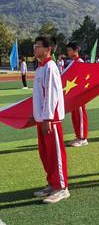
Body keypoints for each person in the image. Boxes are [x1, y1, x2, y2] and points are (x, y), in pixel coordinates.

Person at [32, 35, 70, 204]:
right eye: (35, 45)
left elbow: (52, 94)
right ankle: (52, 183)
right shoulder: (40, 68)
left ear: (48, 49)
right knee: (45, 154)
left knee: (55, 154)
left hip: (50, 119)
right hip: (41, 119)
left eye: (38, 46)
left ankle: (62, 188)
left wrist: (47, 117)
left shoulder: (51, 67)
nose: (35, 48)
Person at [66, 41, 89, 147]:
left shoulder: (80, 61)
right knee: (74, 116)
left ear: (76, 50)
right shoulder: (72, 62)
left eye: (70, 50)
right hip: (73, 94)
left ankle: (83, 138)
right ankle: (78, 136)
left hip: (79, 94)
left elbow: (83, 78)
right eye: (68, 50)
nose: (68, 52)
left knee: (80, 115)